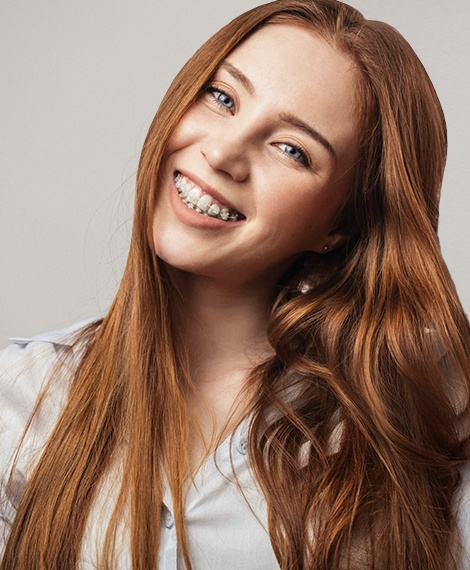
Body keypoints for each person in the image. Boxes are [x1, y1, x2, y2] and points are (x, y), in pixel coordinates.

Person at [1, 0, 470, 568]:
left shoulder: (417, 410)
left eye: (292, 149)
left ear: (339, 225)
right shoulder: (23, 399)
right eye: (221, 97)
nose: (222, 153)